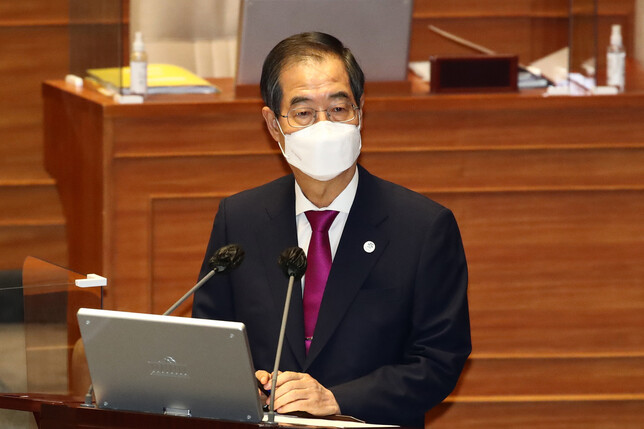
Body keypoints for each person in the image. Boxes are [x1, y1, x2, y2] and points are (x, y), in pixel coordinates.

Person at [192, 32, 470, 427]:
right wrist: (242, 383)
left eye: (339, 108)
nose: (324, 125)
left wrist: (336, 399)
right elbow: (210, 338)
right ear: (273, 124)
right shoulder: (240, 218)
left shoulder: (423, 228)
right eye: (303, 113)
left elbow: (439, 361)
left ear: (361, 114)